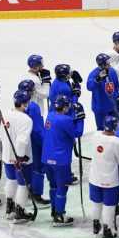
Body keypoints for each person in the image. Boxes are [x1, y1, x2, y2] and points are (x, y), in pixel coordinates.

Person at [42, 95, 84, 226]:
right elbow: (77, 132)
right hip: (60, 160)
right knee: (62, 187)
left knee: (53, 185)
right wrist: (81, 118)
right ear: (65, 107)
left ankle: (55, 211)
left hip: (47, 157)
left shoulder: (50, 115)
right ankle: (60, 215)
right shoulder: (65, 120)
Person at [89, 115, 119, 238]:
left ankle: (96, 225)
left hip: (94, 177)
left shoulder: (95, 135)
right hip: (110, 180)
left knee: (96, 202)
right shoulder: (118, 142)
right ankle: (107, 230)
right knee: (109, 206)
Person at [0, 90, 34, 223]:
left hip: (7, 154)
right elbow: (22, 141)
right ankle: (20, 211)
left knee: (11, 180)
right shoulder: (26, 119)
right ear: (25, 104)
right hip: (21, 158)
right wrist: (19, 158)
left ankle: (9, 207)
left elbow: (1, 135)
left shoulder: (5, 114)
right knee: (23, 184)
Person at [17, 80, 50, 208]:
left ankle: (26, 189)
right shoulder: (33, 107)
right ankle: (36, 193)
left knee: (25, 167)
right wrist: (44, 144)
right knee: (38, 168)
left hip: (21, 142)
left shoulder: (17, 105)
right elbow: (37, 130)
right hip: (33, 143)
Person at [87, 53, 119, 130]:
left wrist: (116, 96)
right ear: (102, 64)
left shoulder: (112, 71)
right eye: (107, 63)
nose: (109, 64)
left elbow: (116, 86)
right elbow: (89, 87)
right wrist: (97, 79)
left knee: (117, 128)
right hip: (100, 109)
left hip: (112, 107)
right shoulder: (94, 74)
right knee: (101, 131)